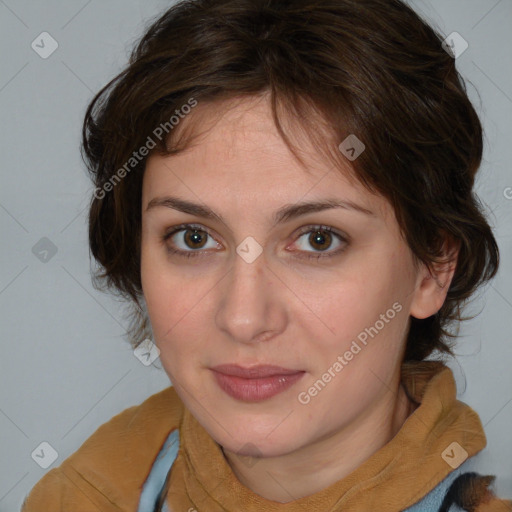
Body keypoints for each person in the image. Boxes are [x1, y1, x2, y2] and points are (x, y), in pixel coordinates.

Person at [21, 0, 511, 510]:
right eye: (193, 238)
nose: (244, 318)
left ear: (432, 269)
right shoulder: (82, 496)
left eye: (318, 239)